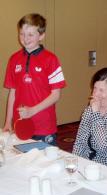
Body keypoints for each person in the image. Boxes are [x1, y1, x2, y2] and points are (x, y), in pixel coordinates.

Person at [3, 13, 66, 145]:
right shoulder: (14, 59)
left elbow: (56, 95)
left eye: (30, 34)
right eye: (22, 34)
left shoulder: (51, 59)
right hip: (20, 123)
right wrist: (8, 122)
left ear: (41, 35)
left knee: (46, 163)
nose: (25, 39)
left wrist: (32, 110)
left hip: (44, 126)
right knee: (23, 162)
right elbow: (12, 93)